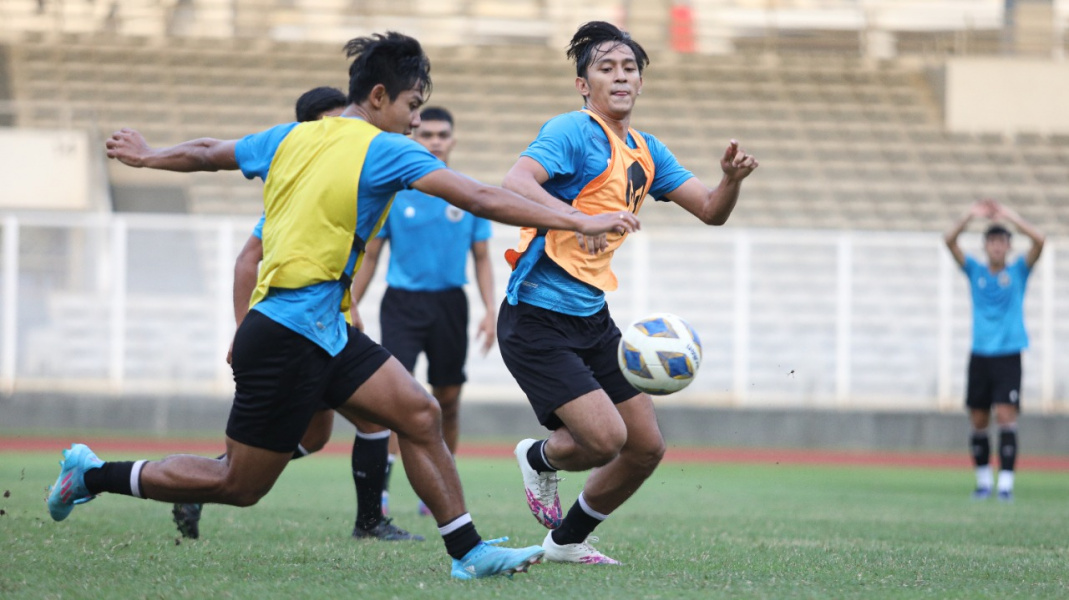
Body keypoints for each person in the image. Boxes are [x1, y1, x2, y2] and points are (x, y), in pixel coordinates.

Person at [53, 31, 639, 580]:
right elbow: (484, 196)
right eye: (412, 105)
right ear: (379, 97)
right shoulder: (385, 151)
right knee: (238, 483)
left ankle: (469, 553)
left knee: (420, 413)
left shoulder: (291, 135)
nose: (417, 120)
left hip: (326, 328)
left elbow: (210, 150)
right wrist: (579, 218)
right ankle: (92, 474)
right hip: (284, 330)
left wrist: (149, 155)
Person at [498, 21, 758, 565]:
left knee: (645, 448)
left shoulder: (647, 150)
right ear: (583, 84)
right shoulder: (572, 129)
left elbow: (711, 211)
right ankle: (540, 458)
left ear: (640, 81)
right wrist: (580, 219)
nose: (620, 76)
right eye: (606, 67)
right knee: (604, 440)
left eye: (630, 68)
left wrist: (730, 179)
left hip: (593, 318)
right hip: (537, 318)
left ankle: (566, 544)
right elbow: (515, 185)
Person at [170, 86, 423, 543]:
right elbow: (249, 259)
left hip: (325, 325)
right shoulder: (299, 192)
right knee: (374, 421)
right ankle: (370, 522)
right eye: (329, 122)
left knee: (319, 434)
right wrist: (244, 326)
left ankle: (204, 484)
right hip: (298, 332)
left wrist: (351, 306)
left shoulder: (353, 171)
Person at [350, 106, 493, 518]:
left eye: (441, 134)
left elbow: (482, 256)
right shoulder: (396, 193)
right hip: (402, 304)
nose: (434, 140)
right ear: (417, 138)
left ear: (452, 140)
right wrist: (350, 301)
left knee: (448, 399)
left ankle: (441, 485)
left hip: (450, 304)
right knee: (398, 397)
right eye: (426, 134)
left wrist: (490, 309)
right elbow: (373, 254)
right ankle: (381, 489)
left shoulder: (467, 192)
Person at [944, 198, 1044, 503]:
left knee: (1005, 415)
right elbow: (949, 241)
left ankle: (1006, 485)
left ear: (1008, 246)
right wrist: (970, 215)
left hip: (1009, 354)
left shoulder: (1017, 273)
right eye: (992, 242)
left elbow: (1040, 240)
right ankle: (984, 482)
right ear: (986, 246)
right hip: (980, 354)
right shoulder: (975, 271)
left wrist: (1009, 215)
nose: (997, 247)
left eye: (1002, 242)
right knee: (978, 419)